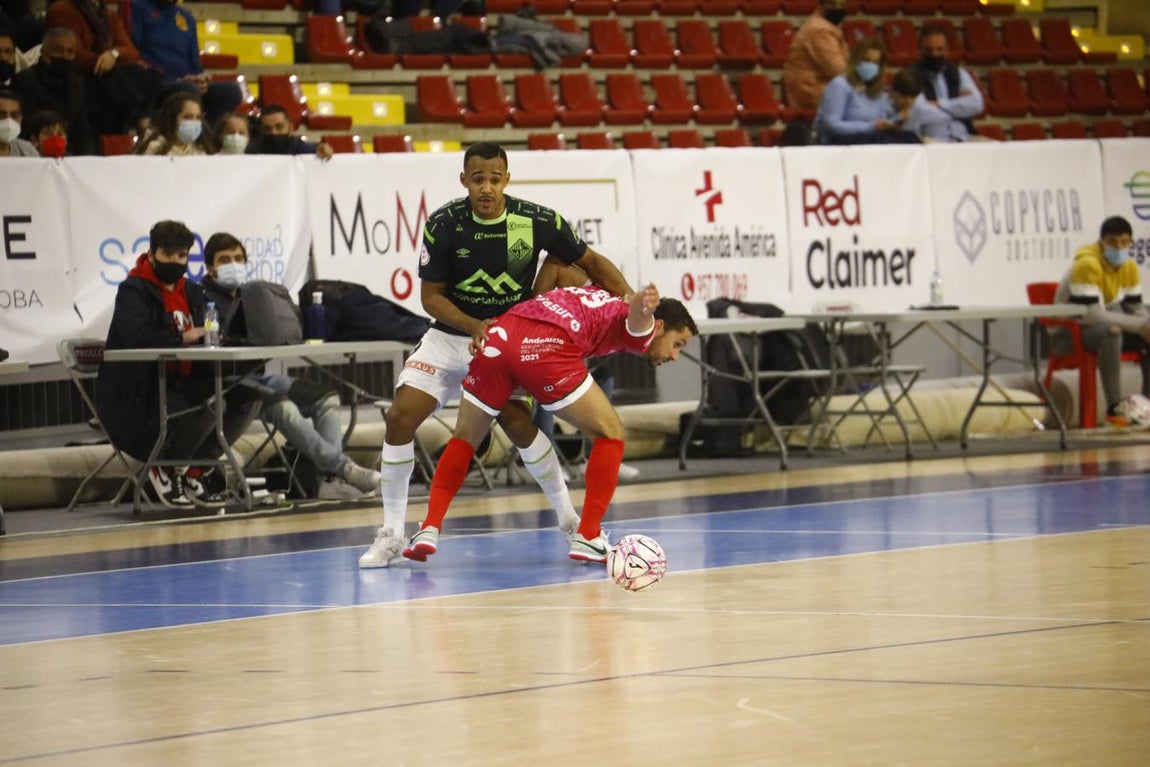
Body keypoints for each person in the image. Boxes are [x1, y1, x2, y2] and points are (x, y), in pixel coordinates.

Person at [357, 141, 634, 569]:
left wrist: (631, 301)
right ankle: (392, 533)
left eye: (494, 179)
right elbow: (430, 298)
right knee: (399, 417)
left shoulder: (538, 220)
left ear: (507, 179)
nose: (486, 187)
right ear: (464, 180)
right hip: (452, 334)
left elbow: (592, 262)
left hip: (506, 342)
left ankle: (570, 522)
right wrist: (473, 326)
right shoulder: (444, 224)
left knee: (519, 424)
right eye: (477, 179)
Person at [403, 284, 697, 564]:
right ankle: (588, 535)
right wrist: (642, 306)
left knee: (465, 438)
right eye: (677, 344)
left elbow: (574, 269)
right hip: (546, 346)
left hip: (501, 334)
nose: (674, 355)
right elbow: (639, 322)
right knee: (611, 433)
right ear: (660, 327)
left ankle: (429, 527)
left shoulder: (598, 293)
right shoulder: (645, 326)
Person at [199, 232, 382, 500]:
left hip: (259, 377)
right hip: (226, 385)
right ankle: (343, 469)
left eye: (238, 258)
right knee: (283, 406)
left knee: (326, 398)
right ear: (210, 268)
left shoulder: (254, 297)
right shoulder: (201, 300)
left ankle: (326, 482)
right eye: (225, 260)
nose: (233, 264)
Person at [96, 220, 262, 507]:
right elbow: (138, 337)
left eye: (182, 255)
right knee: (212, 401)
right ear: (152, 254)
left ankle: (197, 468)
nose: (175, 261)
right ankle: (165, 464)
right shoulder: (133, 290)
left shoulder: (192, 292)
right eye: (168, 254)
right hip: (138, 393)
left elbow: (210, 329)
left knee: (249, 397)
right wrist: (183, 337)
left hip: (180, 384)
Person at [1055, 216, 1150, 425]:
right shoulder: (1087, 264)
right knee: (1111, 332)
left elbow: (1135, 308)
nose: (1119, 248)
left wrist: (1147, 325)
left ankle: (1146, 408)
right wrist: (1141, 326)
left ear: (1131, 242)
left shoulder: (1129, 267)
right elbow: (1092, 314)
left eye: (1124, 242)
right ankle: (1115, 408)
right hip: (1070, 332)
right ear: (1101, 242)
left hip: (1101, 324)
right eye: (1112, 242)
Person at [44, 0, 162, 136]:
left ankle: (144, 125)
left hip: (111, 75)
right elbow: (75, 55)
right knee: (128, 75)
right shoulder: (61, 10)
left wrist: (113, 54)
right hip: (79, 75)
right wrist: (105, 60)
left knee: (142, 75)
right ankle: (143, 127)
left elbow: (131, 51)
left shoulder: (109, 15)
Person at [127, 0, 242, 126]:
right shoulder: (137, 7)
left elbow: (195, 64)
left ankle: (208, 135)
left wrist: (201, 78)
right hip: (156, 84)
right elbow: (132, 54)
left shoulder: (186, 17)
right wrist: (178, 80)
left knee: (231, 91)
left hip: (187, 83)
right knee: (188, 89)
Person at [11, 27, 97, 155]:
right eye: (59, 51)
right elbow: (28, 127)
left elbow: (82, 128)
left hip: (70, 154)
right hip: (35, 152)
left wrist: (87, 159)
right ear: (44, 53)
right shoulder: (24, 81)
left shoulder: (76, 83)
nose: (65, 56)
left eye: (70, 51)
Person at [815, 37, 912, 145]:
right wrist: (870, 126)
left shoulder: (877, 91)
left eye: (875, 63)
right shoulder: (840, 85)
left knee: (909, 138)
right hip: (843, 143)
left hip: (870, 141)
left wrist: (898, 119)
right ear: (855, 60)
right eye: (866, 60)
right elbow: (832, 124)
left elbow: (882, 121)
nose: (870, 65)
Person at [904, 23, 985, 143]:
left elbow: (977, 105)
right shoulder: (910, 75)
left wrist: (937, 104)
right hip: (930, 138)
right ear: (920, 50)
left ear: (947, 50)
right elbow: (919, 111)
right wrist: (959, 107)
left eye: (939, 49)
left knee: (997, 148)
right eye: (929, 49)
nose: (934, 54)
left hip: (964, 137)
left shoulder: (958, 73)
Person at [782, 0, 849, 116]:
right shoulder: (820, 30)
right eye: (832, 4)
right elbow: (837, 70)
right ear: (821, 5)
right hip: (812, 90)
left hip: (815, 87)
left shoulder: (823, 25)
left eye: (842, 5)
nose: (838, 9)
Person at [135, 90, 213, 155]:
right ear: (172, 119)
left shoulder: (200, 151)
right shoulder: (155, 148)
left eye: (198, 117)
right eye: (188, 117)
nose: (194, 122)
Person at [247, 104, 333, 160]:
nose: (274, 132)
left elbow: (315, 149)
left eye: (279, 127)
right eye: (267, 129)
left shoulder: (297, 145)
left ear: (290, 128)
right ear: (261, 131)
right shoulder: (252, 150)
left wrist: (321, 148)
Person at [0, 87, 35, 155]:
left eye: (14, 115)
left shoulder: (28, 150)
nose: (8, 120)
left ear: (20, 119)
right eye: (1, 114)